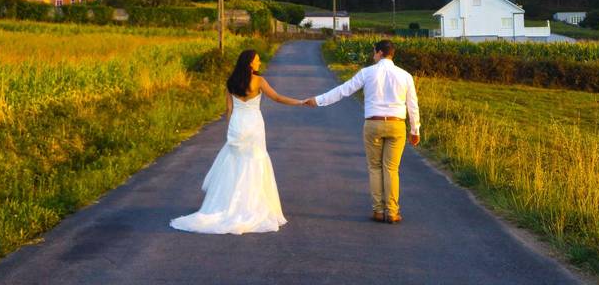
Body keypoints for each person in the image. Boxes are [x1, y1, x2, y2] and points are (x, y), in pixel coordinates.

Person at [170, 49, 303, 234]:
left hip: (237, 124)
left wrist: (231, 128)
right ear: (249, 63)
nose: (259, 63)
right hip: (254, 125)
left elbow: (228, 109)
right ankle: (251, 205)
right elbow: (278, 98)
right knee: (254, 162)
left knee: (235, 164)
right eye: (256, 60)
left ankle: (226, 204)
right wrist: (300, 102)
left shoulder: (231, 82)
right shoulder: (259, 81)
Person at [305, 39, 420, 223]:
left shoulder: (367, 73)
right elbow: (412, 105)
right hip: (396, 124)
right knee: (391, 169)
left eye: (374, 51)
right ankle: (392, 211)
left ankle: (378, 210)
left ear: (380, 53)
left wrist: (318, 100)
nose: (373, 55)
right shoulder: (405, 75)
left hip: (373, 124)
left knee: (375, 168)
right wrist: (415, 130)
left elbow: (344, 90)